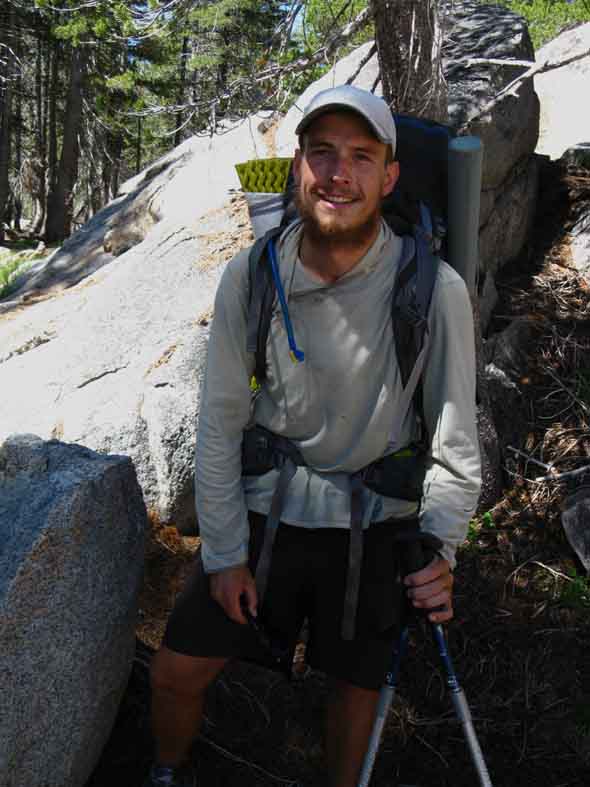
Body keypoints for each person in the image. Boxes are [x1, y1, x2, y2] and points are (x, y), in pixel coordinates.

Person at [144, 84, 482, 787]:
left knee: (356, 696)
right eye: (322, 152)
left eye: (362, 156)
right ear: (297, 164)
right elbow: (219, 423)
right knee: (177, 669)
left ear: (388, 177)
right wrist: (227, 553)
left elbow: (454, 434)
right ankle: (165, 772)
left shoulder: (433, 287)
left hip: (375, 519)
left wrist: (441, 545)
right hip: (269, 505)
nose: (339, 173)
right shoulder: (252, 274)